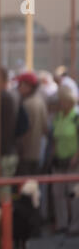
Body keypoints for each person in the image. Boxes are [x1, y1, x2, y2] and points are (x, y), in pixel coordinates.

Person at [50, 85, 79, 235]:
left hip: (74, 162)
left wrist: (76, 157)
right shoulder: (58, 116)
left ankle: (75, 225)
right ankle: (62, 223)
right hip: (59, 161)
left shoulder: (76, 116)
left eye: (61, 101)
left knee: (73, 194)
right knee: (58, 193)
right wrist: (53, 154)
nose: (59, 104)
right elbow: (55, 137)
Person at [15, 72, 48, 176]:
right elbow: (45, 128)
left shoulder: (25, 104)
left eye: (20, 84)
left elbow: (21, 131)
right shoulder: (40, 102)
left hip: (25, 154)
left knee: (24, 187)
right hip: (37, 153)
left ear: (28, 86)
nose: (18, 88)